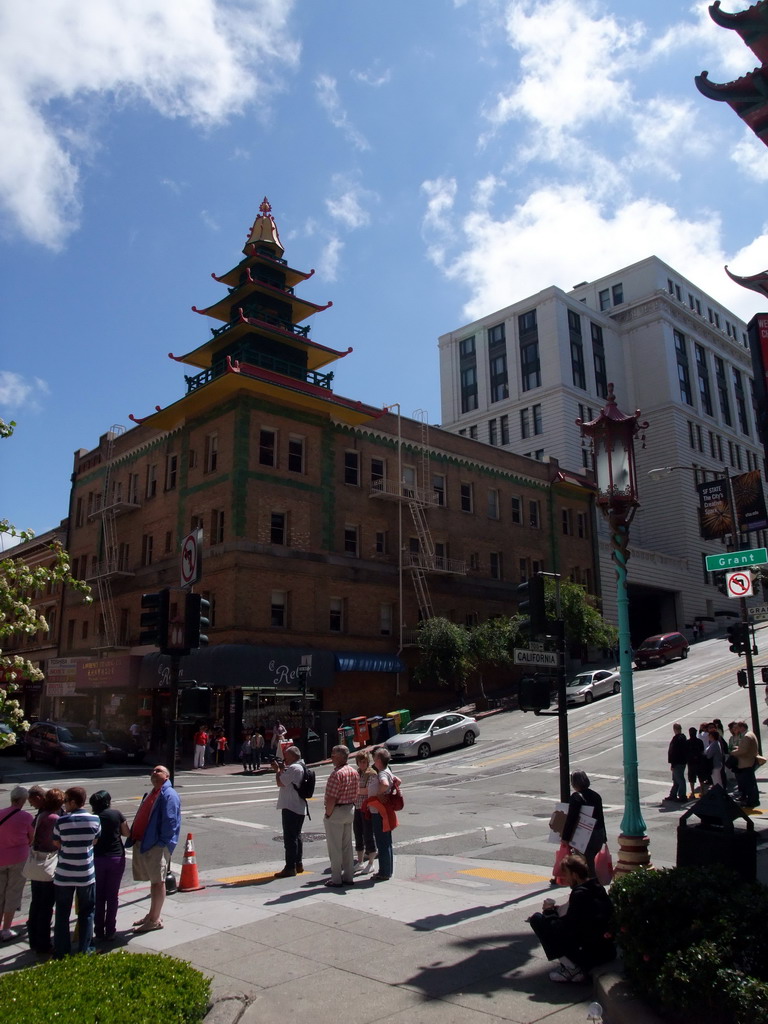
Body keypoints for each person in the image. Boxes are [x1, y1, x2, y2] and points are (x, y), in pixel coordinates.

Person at [528, 852, 616, 983]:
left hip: (589, 952)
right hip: (606, 950)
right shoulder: (596, 888)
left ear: (575, 875)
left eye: (567, 875)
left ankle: (571, 968)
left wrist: (548, 912)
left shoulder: (579, 894)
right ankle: (572, 966)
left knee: (537, 920)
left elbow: (566, 928)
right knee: (550, 919)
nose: (565, 879)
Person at [127, 765, 181, 933]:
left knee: (158, 883)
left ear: (167, 776)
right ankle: (152, 914)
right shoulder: (154, 792)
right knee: (154, 882)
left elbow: (171, 822)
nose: (154, 772)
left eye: (159, 770)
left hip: (156, 845)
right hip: (146, 842)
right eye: (153, 770)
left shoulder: (169, 794)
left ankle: (155, 919)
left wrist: (161, 843)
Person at [52, 786, 101, 957]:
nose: (64, 805)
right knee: (87, 911)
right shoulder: (95, 820)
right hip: (85, 873)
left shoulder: (61, 821)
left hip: (64, 873)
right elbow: (94, 841)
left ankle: (61, 950)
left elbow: (57, 843)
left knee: (62, 912)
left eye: (66, 801)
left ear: (73, 802)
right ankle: (85, 948)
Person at [27, 787, 64, 957]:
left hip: (36, 862)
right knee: (46, 906)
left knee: (36, 903)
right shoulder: (55, 819)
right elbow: (58, 843)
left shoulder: (41, 816)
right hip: (49, 865)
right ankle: (43, 944)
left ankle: (33, 939)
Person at [89, 790, 129, 942]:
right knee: (112, 896)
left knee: (98, 897)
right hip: (116, 857)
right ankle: (110, 930)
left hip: (97, 858)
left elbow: (92, 841)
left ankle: (98, 931)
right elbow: (127, 833)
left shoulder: (93, 818)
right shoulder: (116, 814)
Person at [0, 785, 34, 941]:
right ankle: (6, 929)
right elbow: (32, 838)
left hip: (1, 858)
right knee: (13, 893)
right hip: (18, 858)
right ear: (22, 800)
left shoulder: (1, 814)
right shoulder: (27, 817)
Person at [323, 744, 359, 887]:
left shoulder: (336, 774)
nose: (331, 757)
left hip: (337, 812)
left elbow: (331, 798)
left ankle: (336, 878)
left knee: (335, 847)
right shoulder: (353, 772)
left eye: (333, 755)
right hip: (350, 809)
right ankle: (349, 876)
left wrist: (328, 813)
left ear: (340, 757)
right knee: (347, 846)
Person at [560, 770, 606, 878]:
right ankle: (592, 881)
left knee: (585, 863)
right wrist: (604, 836)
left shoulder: (576, 797)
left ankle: (590, 884)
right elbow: (601, 816)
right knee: (591, 860)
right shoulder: (596, 796)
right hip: (599, 832)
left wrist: (565, 837)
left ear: (574, 783)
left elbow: (571, 818)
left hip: (585, 835)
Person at [272, 745, 307, 878]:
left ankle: (290, 867)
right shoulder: (302, 766)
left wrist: (277, 770)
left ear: (292, 756)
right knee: (297, 836)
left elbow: (280, 782)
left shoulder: (294, 768)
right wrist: (282, 768)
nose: (284, 758)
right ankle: (298, 864)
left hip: (290, 806)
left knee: (290, 838)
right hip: (299, 806)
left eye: (286, 756)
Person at [368, 747, 397, 882]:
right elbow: (398, 781)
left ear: (379, 760)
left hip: (379, 812)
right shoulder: (387, 771)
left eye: (375, 757)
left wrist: (379, 793)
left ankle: (384, 872)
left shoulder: (382, 774)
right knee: (387, 841)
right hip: (385, 810)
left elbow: (384, 784)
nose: (373, 759)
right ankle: (388, 870)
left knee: (382, 841)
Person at [353, 751, 377, 873]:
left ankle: (371, 863)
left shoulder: (371, 774)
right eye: (360, 762)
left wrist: (355, 790)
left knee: (368, 834)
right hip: (357, 807)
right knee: (358, 834)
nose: (362, 764)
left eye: (364, 762)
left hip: (367, 808)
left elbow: (368, 790)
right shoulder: (357, 773)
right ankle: (360, 861)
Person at [733, 721, 760, 809]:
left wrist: (734, 752)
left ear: (742, 727)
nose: (736, 730)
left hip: (747, 762)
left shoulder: (747, 736)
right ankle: (752, 800)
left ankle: (752, 801)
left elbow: (744, 751)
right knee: (751, 782)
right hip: (749, 760)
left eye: (737, 728)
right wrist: (739, 748)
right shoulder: (750, 734)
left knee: (749, 783)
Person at [665, 723, 689, 802]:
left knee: (679, 779)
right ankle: (673, 794)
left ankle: (682, 796)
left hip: (677, 763)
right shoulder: (683, 738)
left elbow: (674, 753)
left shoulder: (677, 739)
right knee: (676, 780)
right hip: (682, 762)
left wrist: (673, 764)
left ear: (675, 729)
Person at [686, 726, 706, 798]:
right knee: (701, 778)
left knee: (691, 779)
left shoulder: (687, 742)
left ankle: (693, 793)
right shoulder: (700, 741)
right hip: (699, 761)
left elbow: (686, 752)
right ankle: (703, 792)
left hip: (691, 763)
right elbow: (702, 751)